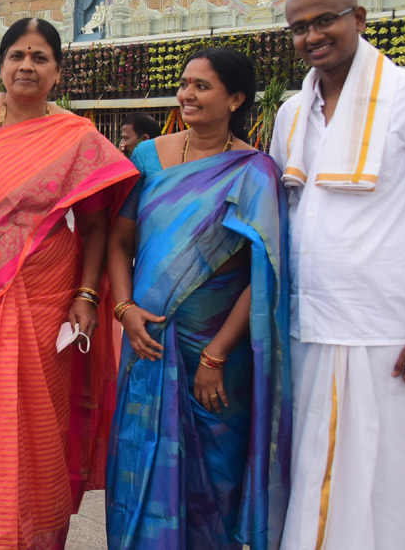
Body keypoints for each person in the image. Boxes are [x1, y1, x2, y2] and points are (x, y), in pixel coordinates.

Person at [0, 18, 137, 550]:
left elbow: (94, 226)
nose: (26, 66)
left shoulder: (76, 137)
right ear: (0, 65)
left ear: (58, 72)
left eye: (40, 57)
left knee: (30, 426)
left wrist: (87, 297)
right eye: (17, 55)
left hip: (43, 300)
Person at [105, 47, 292, 550]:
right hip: (146, 342)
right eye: (184, 83)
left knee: (215, 473)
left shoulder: (255, 171)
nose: (186, 94)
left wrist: (217, 354)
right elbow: (119, 241)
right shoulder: (147, 157)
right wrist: (123, 310)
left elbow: (265, 273)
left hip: (215, 352)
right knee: (138, 458)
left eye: (202, 86)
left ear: (235, 98)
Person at [270, 0, 405, 550]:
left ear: (358, 17)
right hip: (310, 325)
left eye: (324, 21)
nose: (312, 36)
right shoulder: (292, 113)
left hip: (386, 330)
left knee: (391, 478)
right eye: (299, 28)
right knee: (315, 468)